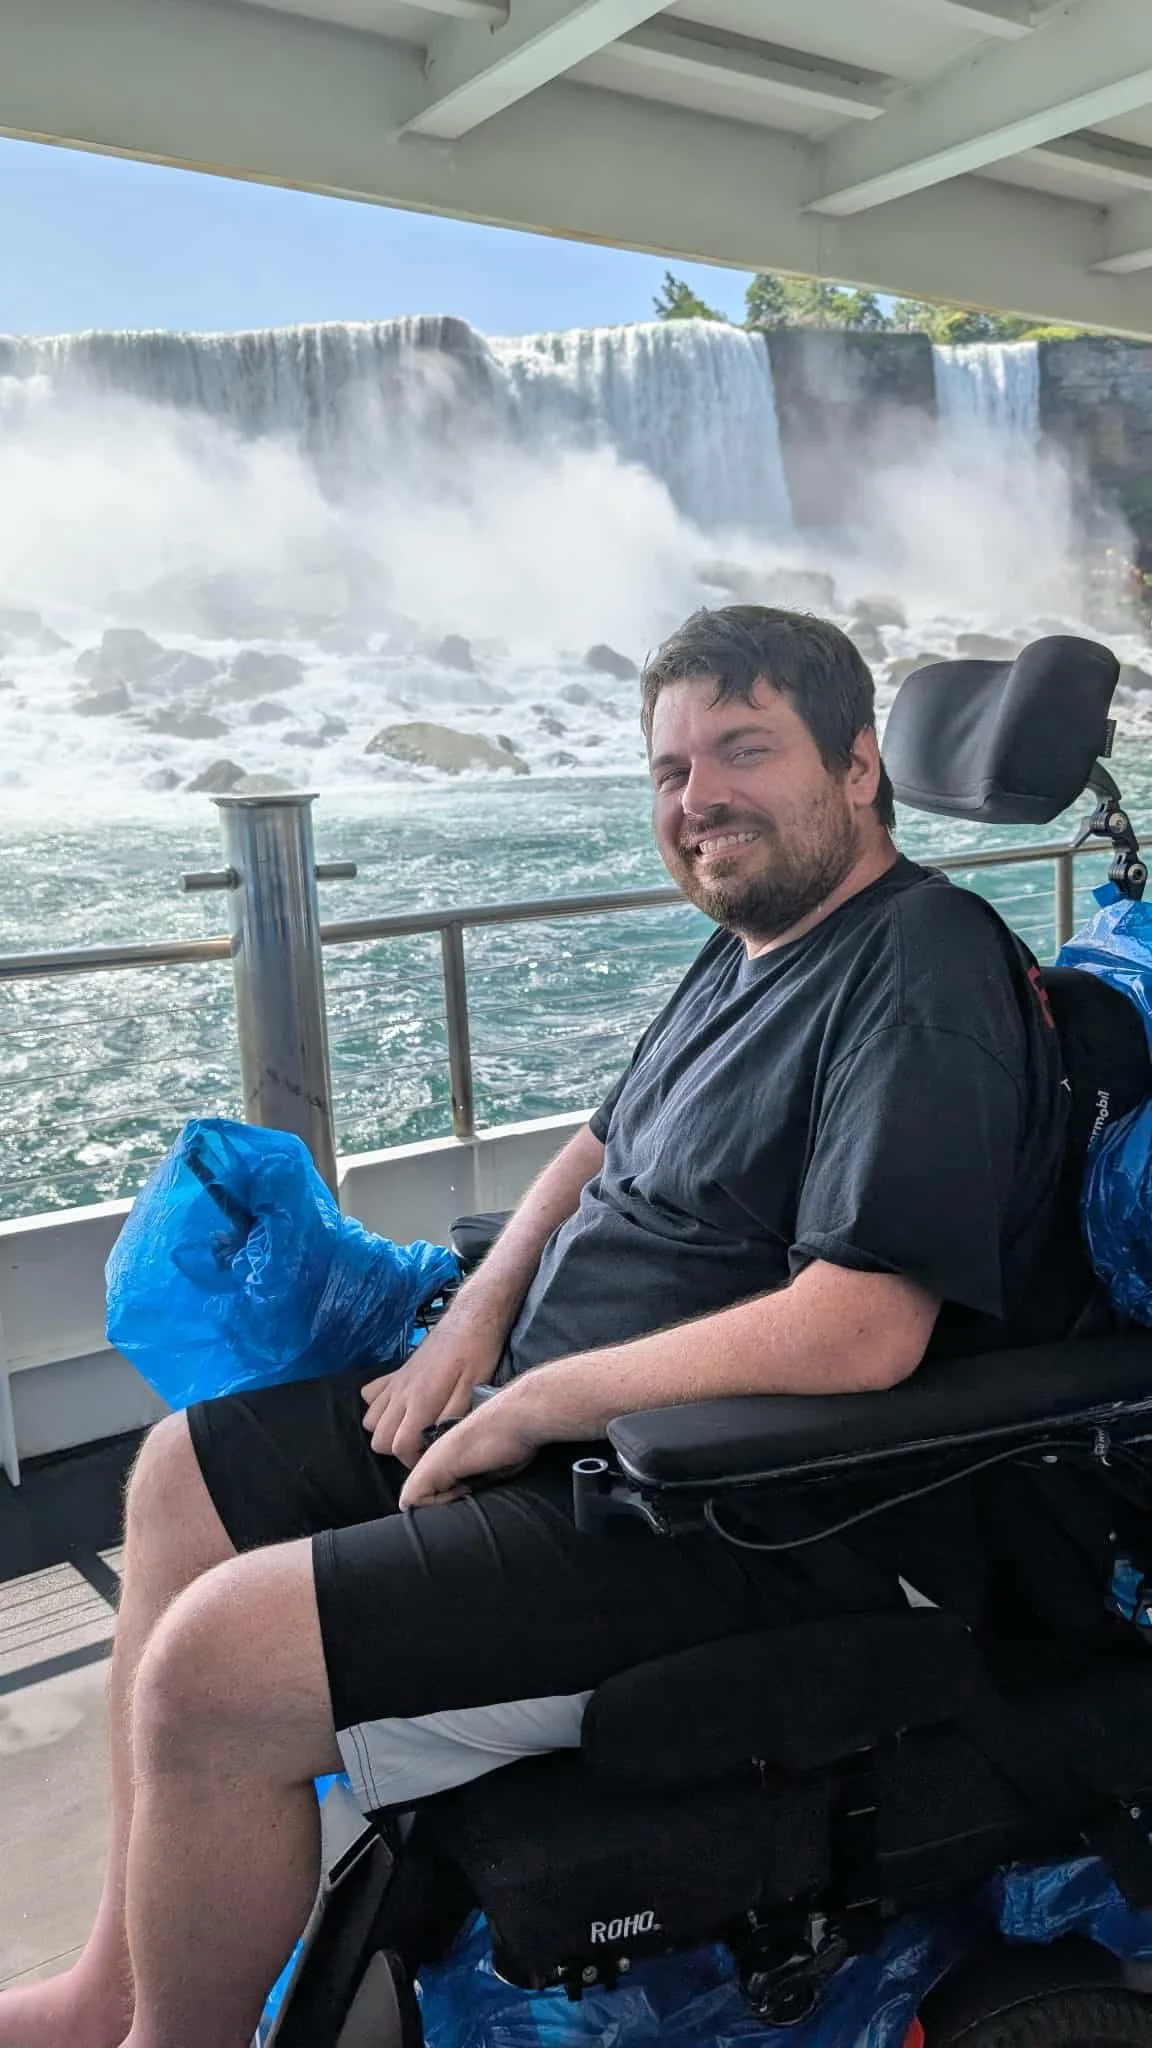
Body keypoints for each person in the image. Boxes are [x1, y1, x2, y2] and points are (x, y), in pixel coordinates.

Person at [0, 605, 1067, 2048]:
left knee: (215, 1673)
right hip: (570, 1434)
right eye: (671, 770)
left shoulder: (921, 967)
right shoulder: (758, 942)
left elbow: (864, 1326)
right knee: (184, 1470)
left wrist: (530, 1407)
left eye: (743, 751)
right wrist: (476, 1321)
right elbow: (601, 1135)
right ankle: (106, 1995)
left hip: (741, 1517)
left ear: (861, 765)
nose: (698, 802)